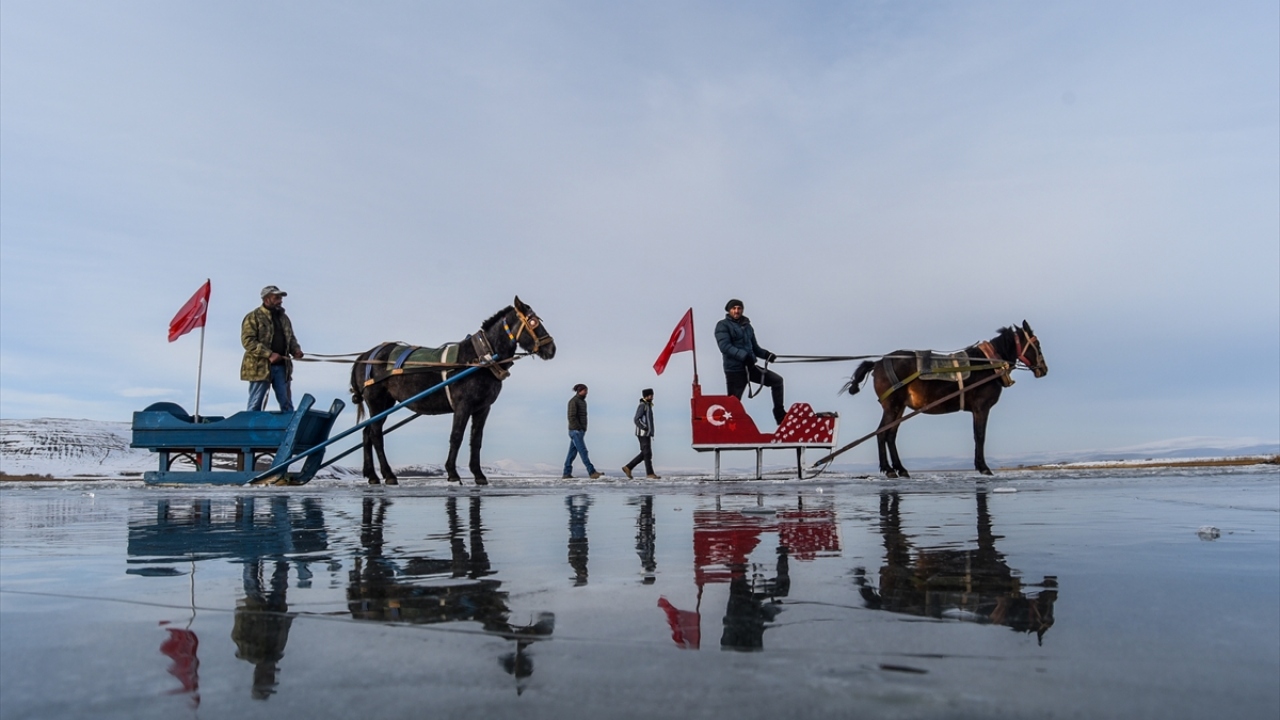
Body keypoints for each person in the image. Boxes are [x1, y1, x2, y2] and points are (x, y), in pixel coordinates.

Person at [714, 299, 786, 424]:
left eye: (739, 308)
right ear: (729, 310)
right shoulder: (723, 325)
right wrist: (744, 356)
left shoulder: (748, 327)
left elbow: (755, 348)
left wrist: (767, 355)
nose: (737, 311)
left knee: (777, 381)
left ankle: (781, 417)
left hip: (750, 368)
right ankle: (727, 430)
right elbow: (724, 347)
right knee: (733, 404)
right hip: (735, 370)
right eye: (734, 308)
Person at [242, 285, 303, 412]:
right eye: (276, 297)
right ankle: (250, 428)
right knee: (255, 403)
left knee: (286, 403)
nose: (280, 300)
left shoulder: (284, 318)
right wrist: (269, 354)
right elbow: (248, 341)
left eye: (280, 298)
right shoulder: (253, 317)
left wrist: (295, 350)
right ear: (266, 299)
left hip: (282, 367)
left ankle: (289, 428)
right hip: (259, 367)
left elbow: (291, 337)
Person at [563, 384, 603, 479]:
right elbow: (571, 416)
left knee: (572, 453)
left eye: (587, 391)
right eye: (585, 391)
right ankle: (592, 472)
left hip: (580, 430)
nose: (586, 393)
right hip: (575, 431)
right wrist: (578, 427)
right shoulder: (573, 401)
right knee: (583, 451)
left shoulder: (583, 402)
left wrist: (583, 429)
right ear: (579, 391)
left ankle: (566, 473)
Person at [622, 389, 660, 479]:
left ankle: (628, 467)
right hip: (643, 433)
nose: (652, 397)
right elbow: (636, 419)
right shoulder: (643, 405)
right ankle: (649, 473)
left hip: (647, 433)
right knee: (647, 453)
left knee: (647, 453)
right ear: (646, 396)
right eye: (650, 395)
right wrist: (645, 427)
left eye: (652, 395)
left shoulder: (648, 406)